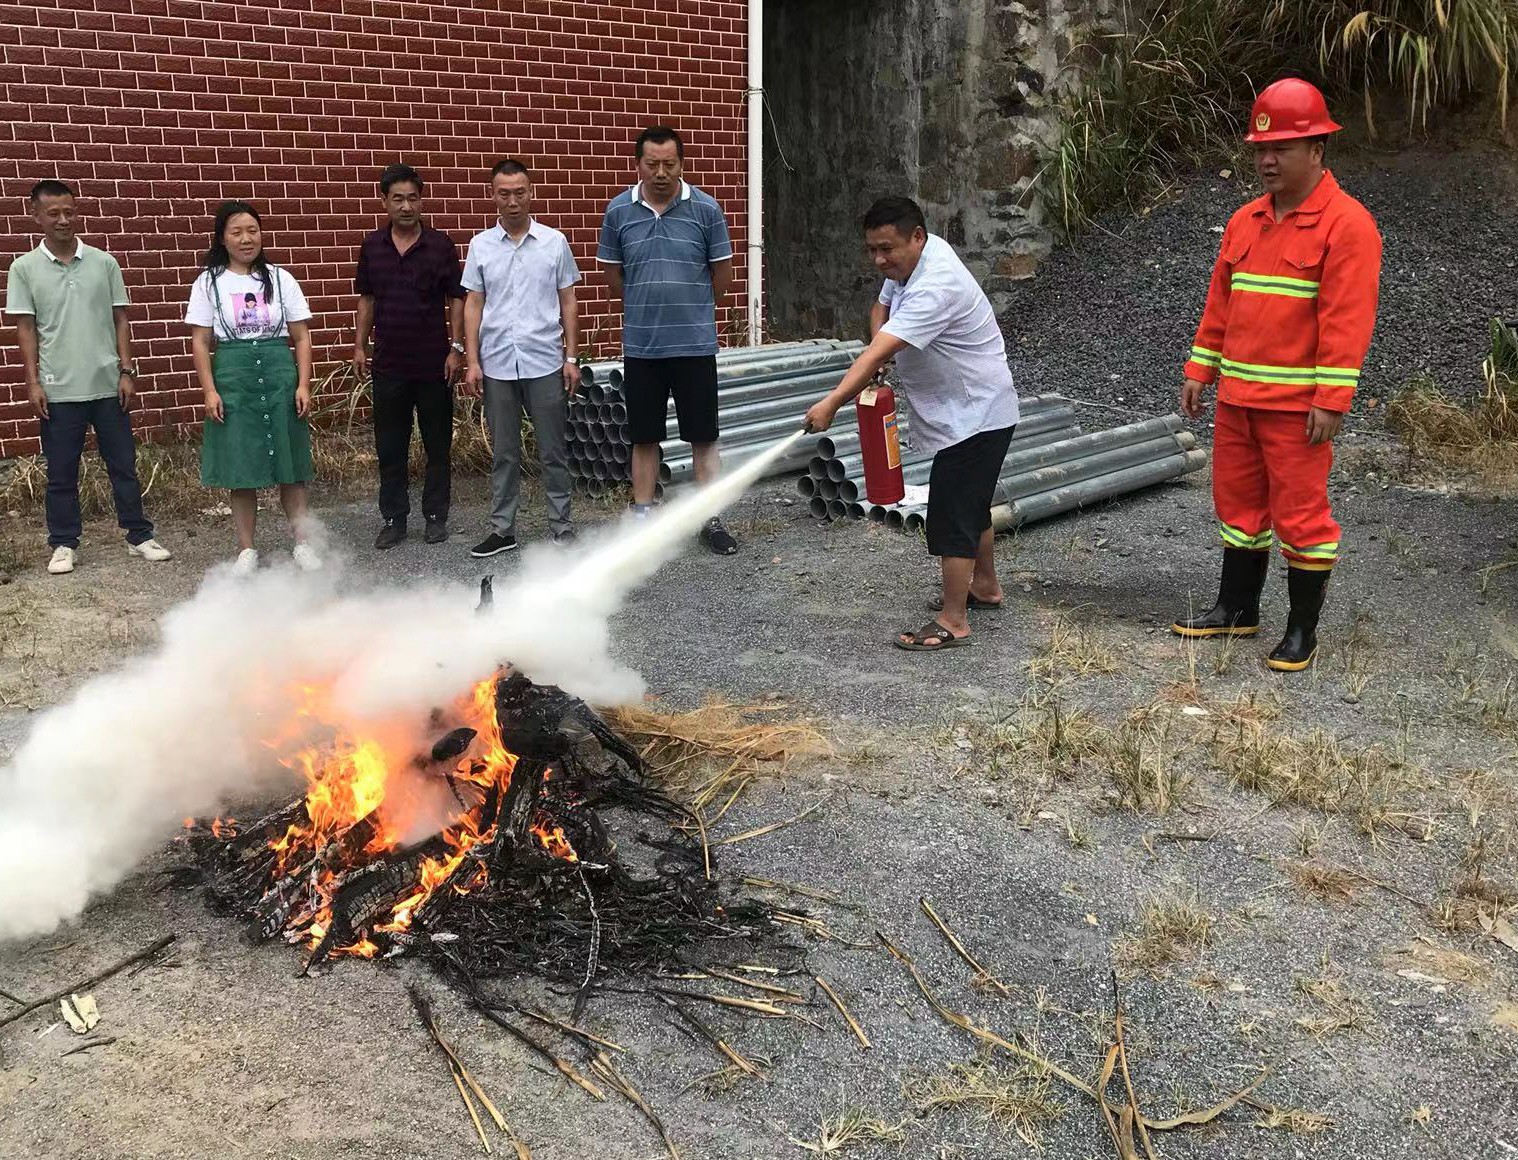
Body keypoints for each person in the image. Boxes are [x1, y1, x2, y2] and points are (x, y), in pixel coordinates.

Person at [1172, 78, 1381, 672]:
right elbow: (1221, 304)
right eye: (1260, 149)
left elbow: (1347, 321)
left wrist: (1332, 399)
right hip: (1237, 401)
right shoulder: (1245, 221)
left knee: (1301, 517)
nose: (1266, 160)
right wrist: (1199, 368)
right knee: (1237, 508)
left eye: (1281, 148)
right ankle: (1237, 609)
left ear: (1317, 149)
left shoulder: (1348, 226)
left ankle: (1301, 632)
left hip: (1296, 408)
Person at [805, 197, 1020, 651]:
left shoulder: (935, 285)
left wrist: (832, 403)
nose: (880, 260)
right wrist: (881, 340)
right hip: (965, 410)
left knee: (952, 511)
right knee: (972, 502)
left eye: (888, 249)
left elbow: (875, 353)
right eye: (872, 250)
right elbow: (881, 310)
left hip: (976, 412)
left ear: (917, 237)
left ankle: (954, 620)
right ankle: (985, 587)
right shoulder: (913, 262)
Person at [4, 179, 172, 574]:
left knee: (123, 465)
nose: (63, 220)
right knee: (61, 471)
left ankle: (138, 535)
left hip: (108, 385)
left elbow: (120, 319)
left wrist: (127, 371)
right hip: (59, 388)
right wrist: (33, 382)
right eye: (53, 213)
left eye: (70, 212)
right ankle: (63, 543)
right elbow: (25, 329)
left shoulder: (103, 262)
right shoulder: (23, 269)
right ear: (36, 215)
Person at [598, 125, 739, 554]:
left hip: (695, 346)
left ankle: (708, 518)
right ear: (638, 164)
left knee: (703, 436)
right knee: (644, 436)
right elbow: (613, 278)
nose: (660, 172)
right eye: (652, 164)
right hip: (643, 346)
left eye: (669, 164)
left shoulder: (706, 210)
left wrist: (687, 309)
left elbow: (723, 278)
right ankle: (643, 516)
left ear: (682, 164)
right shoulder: (619, 212)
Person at [186, 200, 321, 577]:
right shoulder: (209, 282)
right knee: (240, 466)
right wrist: (209, 390)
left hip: (279, 373)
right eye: (236, 232)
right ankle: (246, 549)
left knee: (291, 465)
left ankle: (303, 543)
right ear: (222, 238)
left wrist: (304, 383)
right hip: (233, 375)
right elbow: (200, 341)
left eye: (253, 231)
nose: (247, 239)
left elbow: (301, 335)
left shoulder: (280, 279)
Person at [462, 159, 581, 556]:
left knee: (553, 449)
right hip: (496, 362)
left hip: (545, 358)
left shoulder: (554, 242)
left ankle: (562, 526)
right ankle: (502, 529)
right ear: (492, 195)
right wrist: (473, 361)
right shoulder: (480, 246)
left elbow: (568, 300)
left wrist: (572, 357)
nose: (512, 201)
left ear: (531, 193)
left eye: (520, 192)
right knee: (504, 452)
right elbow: (473, 304)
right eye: (503, 193)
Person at [353, 163, 465, 550]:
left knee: (438, 444)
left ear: (421, 201)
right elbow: (366, 300)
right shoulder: (372, 247)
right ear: (384, 201)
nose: (406, 206)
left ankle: (436, 516)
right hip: (389, 364)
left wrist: (457, 348)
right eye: (397, 198)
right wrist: (359, 345)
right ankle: (393, 519)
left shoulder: (441, 245)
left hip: (434, 364)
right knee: (390, 445)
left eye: (413, 198)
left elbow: (457, 300)